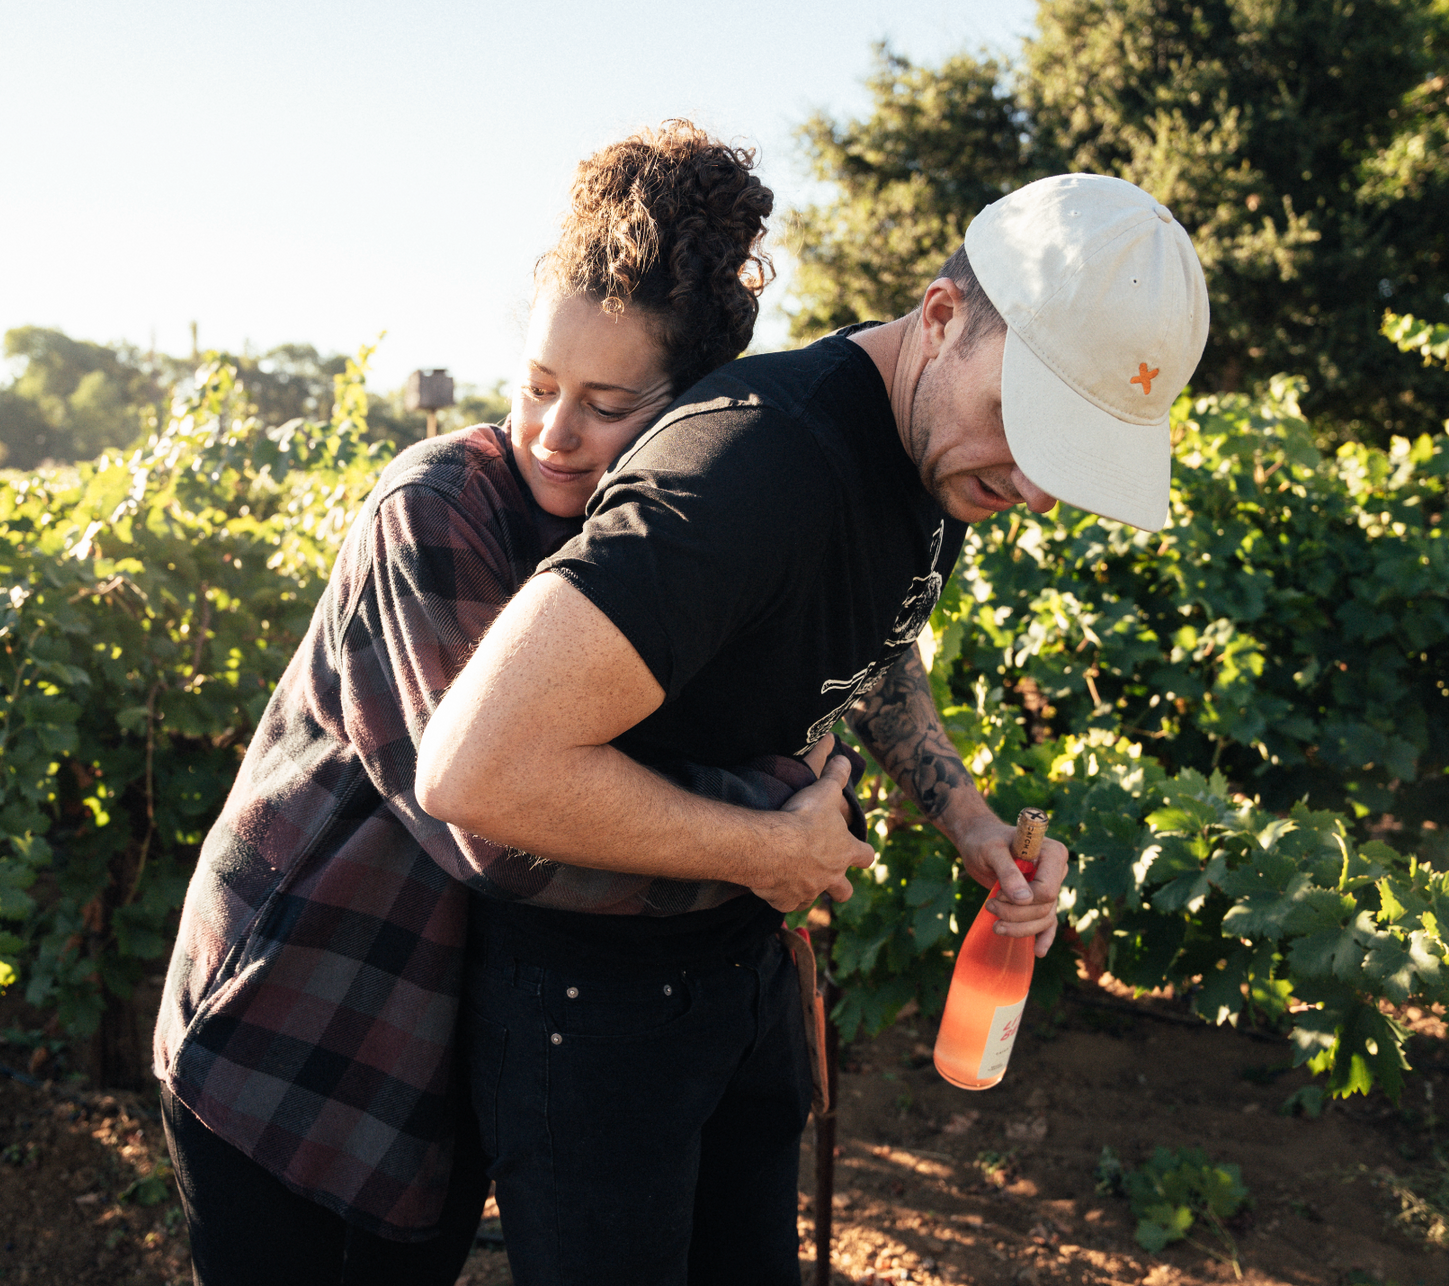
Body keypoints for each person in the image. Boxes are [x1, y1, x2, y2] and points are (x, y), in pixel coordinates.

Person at [416, 172, 1211, 1285]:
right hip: (595, 1007)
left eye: (1067, 458)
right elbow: (475, 767)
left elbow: (877, 642)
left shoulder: (935, 451)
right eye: (1024, 428)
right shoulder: (748, 470)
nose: (1035, 486)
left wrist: (969, 823)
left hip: (731, 964)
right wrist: (767, 850)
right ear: (941, 319)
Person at [152, 121, 851, 1285]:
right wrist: (771, 841)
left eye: (608, 403)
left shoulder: (656, 539)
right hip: (298, 1034)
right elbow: (497, 823)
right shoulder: (436, 514)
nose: (554, 434)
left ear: (692, 410)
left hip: (437, 1066)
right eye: (535, 386)